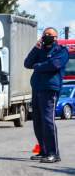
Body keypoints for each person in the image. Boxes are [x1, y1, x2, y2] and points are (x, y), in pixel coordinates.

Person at [24, 27, 70, 164]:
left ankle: (53, 153)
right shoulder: (40, 50)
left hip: (50, 89)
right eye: (45, 34)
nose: (46, 36)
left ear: (56, 37)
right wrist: (35, 48)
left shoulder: (61, 51)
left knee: (48, 121)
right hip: (37, 88)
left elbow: (54, 64)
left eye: (50, 34)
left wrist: (38, 66)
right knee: (38, 121)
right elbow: (27, 63)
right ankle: (43, 151)